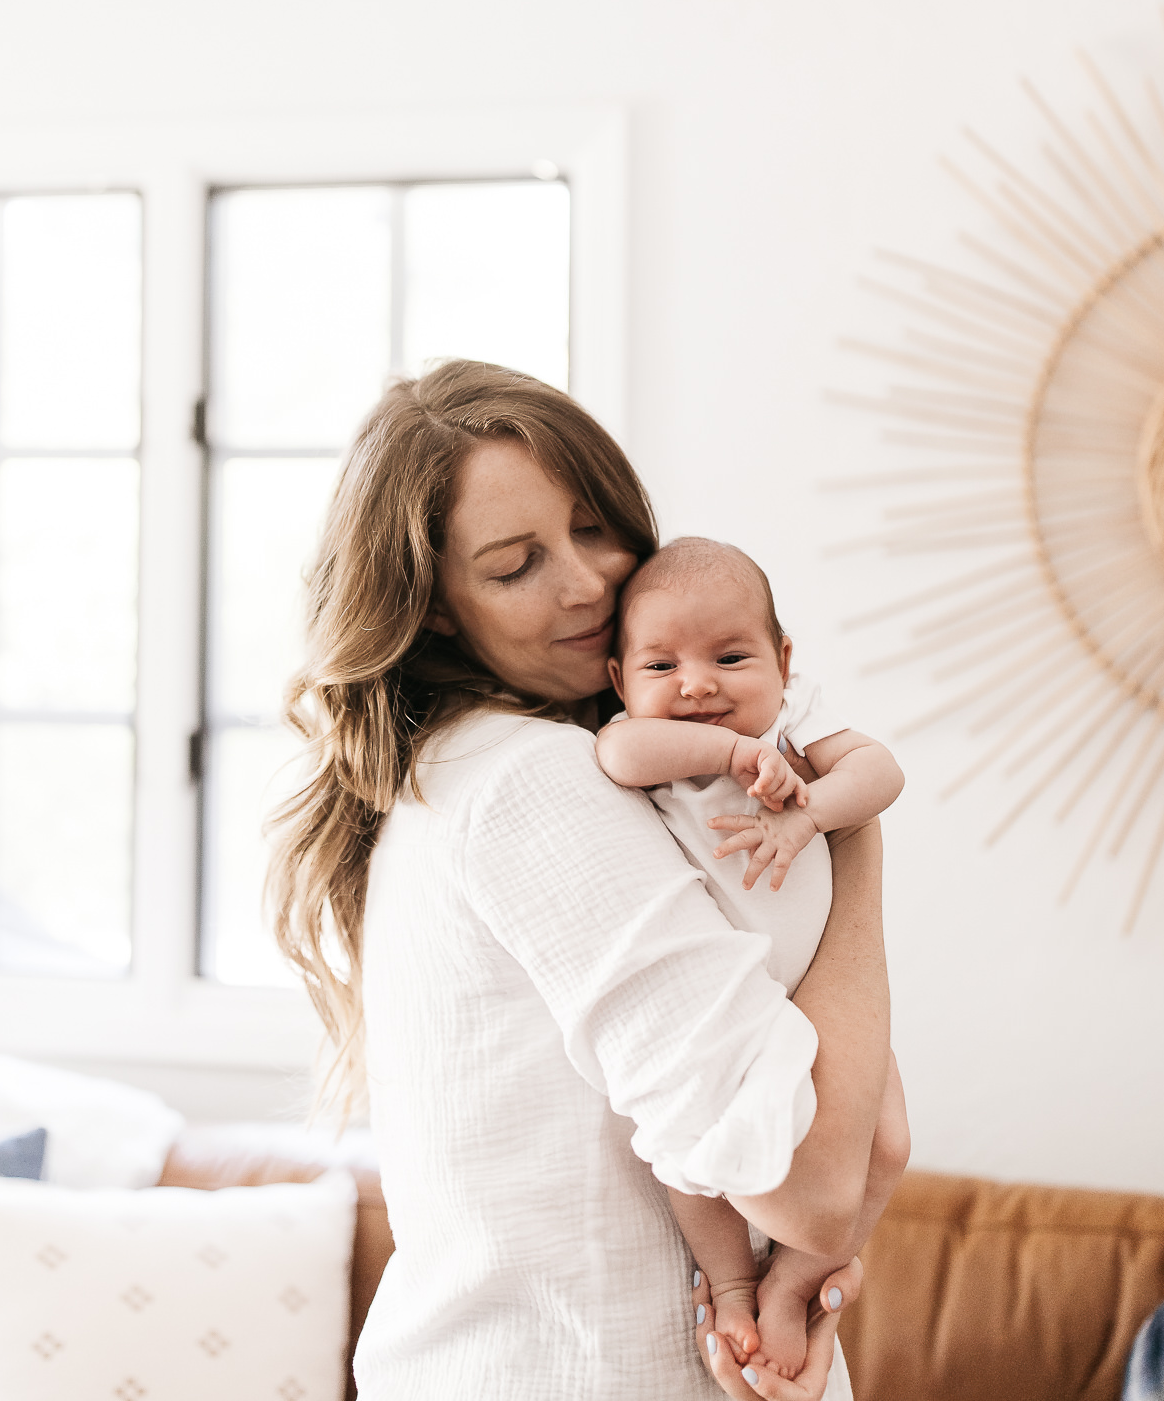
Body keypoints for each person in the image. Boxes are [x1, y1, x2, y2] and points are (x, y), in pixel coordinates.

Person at [266, 360, 892, 1400]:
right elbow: (813, 1185)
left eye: (595, 526)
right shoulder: (531, 781)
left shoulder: (479, 772)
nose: (587, 583)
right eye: (515, 565)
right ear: (432, 610)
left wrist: (789, 1294)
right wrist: (852, 840)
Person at [596, 537, 910, 1379]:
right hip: (734, 1003)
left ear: (782, 660)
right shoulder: (645, 743)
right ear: (621, 682)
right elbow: (621, 755)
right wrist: (734, 756)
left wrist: (808, 815)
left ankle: (796, 1284)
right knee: (692, 1156)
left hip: (823, 989)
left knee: (887, 1144)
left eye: (730, 657)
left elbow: (881, 771)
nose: (697, 683)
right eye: (662, 664)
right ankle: (732, 1281)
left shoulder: (796, 723)